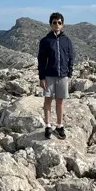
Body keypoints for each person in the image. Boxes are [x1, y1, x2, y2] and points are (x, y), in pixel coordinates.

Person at [38, 11, 74, 140]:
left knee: (60, 102)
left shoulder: (67, 41)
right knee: (48, 100)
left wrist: (69, 74)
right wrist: (41, 77)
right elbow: (41, 60)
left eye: (59, 22)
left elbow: (71, 58)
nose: (57, 24)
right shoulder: (45, 41)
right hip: (49, 76)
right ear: (50, 24)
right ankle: (48, 126)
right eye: (54, 22)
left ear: (62, 25)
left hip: (63, 75)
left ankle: (59, 126)